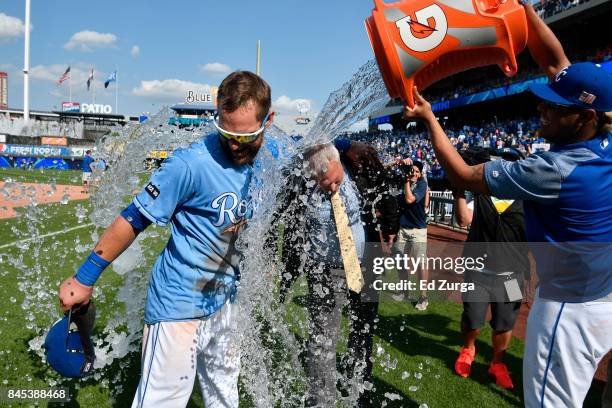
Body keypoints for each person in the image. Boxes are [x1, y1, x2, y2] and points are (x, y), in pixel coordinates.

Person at [402, 3, 612, 406]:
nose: (541, 108)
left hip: (570, 309)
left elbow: (463, 175)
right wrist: (524, 10)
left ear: (585, 117)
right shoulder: (602, 122)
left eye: (554, 106)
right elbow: (559, 64)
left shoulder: (552, 169)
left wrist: (430, 118)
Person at [58, 71, 277, 408]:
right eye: (226, 132)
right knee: (162, 402)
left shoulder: (272, 152)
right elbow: (133, 219)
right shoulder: (189, 165)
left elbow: (313, 150)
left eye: (245, 137)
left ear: (268, 121)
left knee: (224, 397)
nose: (234, 145)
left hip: (225, 300)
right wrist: (84, 278)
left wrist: (337, 156)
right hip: (178, 303)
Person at [452, 148, 529, 390]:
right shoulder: (482, 193)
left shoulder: (528, 199)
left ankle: (498, 363)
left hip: (512, 277)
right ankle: (468, 349)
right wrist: (458, 190)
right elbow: (464, 219)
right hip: (478, 272)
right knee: (473, 320)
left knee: (505, 323)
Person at [393, 158, 429, 310]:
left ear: (420, 174)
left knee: (420, 264)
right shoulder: (403, 180)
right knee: (399, 260)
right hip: (403, 228)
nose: (413, 173)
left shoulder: (422, 185)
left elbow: (409, 199)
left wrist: (406, 181)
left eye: (416, 171)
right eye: (411, 170)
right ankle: (404, 291)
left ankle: (423, 296)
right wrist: (399, 163)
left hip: (417, 231)